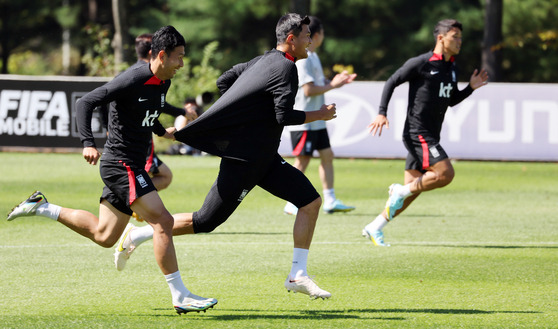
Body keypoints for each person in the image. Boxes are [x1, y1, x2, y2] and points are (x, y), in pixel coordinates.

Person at [114, 13, 336, 299]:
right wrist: (320, 114)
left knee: (310, 202)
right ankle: (138, 234)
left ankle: (298, 274)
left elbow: (225, 80)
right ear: (291, 40)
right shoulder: (285, 69)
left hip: (264, 158)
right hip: (244, 160)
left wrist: (246, 112)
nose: (309, 41)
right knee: (205, 221)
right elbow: (282, 115)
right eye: (306, 36)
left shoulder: (262, 60)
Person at [6, 26, 217, 314]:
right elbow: (87, 102)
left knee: (104, 236)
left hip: (129, 164)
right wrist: (87, 143)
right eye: (179, 57)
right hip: (121, 164)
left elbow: (149, 110)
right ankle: (180, 295)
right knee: (163, 222)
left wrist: (162, 131)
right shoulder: (133, 77)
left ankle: (42, 207)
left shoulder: (163, 81)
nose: (182, 64)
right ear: (162, 55)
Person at [362, 19, 489, 246]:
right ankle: (399, 191)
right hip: (417, 133)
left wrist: (470, 87)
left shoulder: (451, 67)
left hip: (430, 134)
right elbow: (392, 81)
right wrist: (382, 112)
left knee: (412, 191)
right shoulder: (422, 62)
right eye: (455, 36)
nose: (460, 41)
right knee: (445, 174)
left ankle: (375, 227)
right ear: (441, 38)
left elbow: (450, 101)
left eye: (460, 37)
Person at [283, 16, 357, 216]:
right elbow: (308, 90)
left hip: (317, 120)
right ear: (317, 35)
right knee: (302, 161)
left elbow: (318, 82)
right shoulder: (303, 60)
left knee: (327, 156)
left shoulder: (313, 56)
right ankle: (291, 202)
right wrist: (333, 85)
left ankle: (330, 199)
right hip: (305, 120)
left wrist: (336, 81)